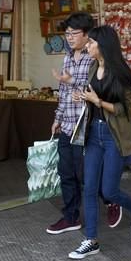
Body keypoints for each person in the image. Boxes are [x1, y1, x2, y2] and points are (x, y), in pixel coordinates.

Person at [68, 25, 131, 259]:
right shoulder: (95, 67)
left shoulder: (122, 72)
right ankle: (91, 240)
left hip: (114, 136)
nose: (88, 45)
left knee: (110, 191)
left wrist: (97, 101)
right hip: (94, 133)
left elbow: (124, 109)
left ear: (103, 45)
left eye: (91, 43)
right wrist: (84, 97)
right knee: (90, 188)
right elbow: (92, 95)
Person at [48, 12, 98, 235]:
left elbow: (96, 88)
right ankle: (70, 217)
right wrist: (57, 119)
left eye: (73, 33)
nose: (69, 37)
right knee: (66, 173)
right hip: (67, 126)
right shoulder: (67, 57)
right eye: (66, 33)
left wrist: (72, 81)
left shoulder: (95, 56)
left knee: (85, 175)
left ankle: (111, 199)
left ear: (86, 35)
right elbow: (64, 92)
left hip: (86, 127)